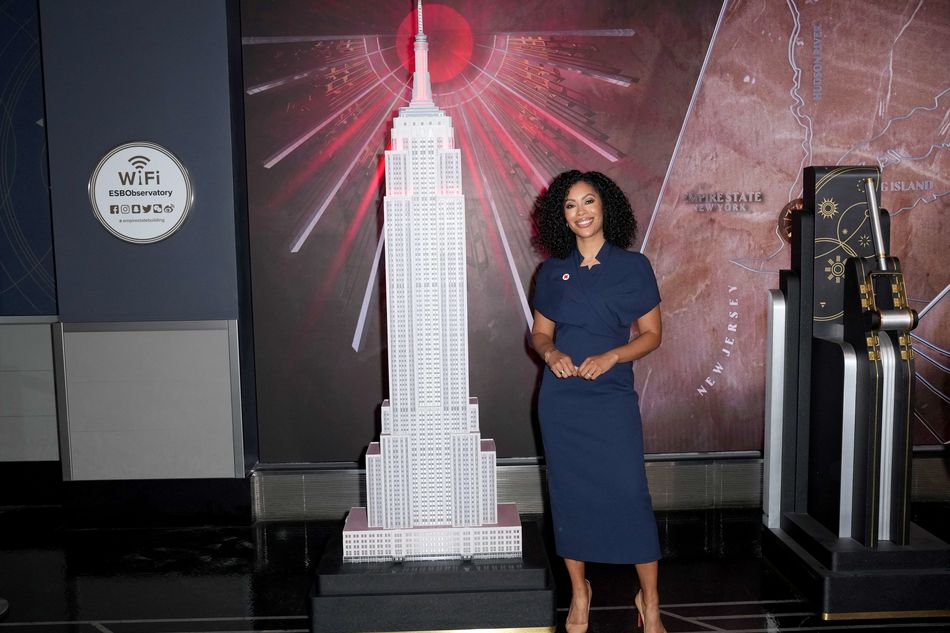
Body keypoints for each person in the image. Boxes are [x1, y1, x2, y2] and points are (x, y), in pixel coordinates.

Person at [530, 170, 666, 633]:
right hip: (562, 401)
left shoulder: (633, 267)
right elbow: (540, 334)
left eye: (589, 202)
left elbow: (652, 336)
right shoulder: (551, 272)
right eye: (570, 205)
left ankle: (650, 601)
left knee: (631, 493)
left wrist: (612, 356)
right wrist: (551, 354)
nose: (581, 212)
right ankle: (579, 593)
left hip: (611, 397)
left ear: (605, 207)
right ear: (561, 217)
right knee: (569, 496)